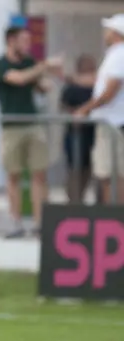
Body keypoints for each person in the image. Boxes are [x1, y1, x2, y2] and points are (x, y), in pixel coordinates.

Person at [0, 27, 62, 237]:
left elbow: (41, 85)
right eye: (23, 40)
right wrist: (43, 66)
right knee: (13, 175)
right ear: (11, 41)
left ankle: (41, 223)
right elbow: (18, 79)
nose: (27, 45)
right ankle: (16, 223)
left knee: (39, 174)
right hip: (11, 127)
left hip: (33, 124)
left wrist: (47, 76)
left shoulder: (30, 62)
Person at [75, 14, 124, 205]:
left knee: (111, 175)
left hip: (112, 124)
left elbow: (109, 91)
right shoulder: (115, 54)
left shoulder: (119, 55)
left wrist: (84, 109)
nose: (105, 33)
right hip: (112, 123)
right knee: (111, 175)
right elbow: (101, 82)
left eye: (109, 29)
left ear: (116, 33)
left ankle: (114, 216)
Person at [61, 55, 97, 204]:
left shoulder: (98, 88)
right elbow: (65, 107)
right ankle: (74, 204)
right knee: (76, 173)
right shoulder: (72, 89)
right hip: (76, 136)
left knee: (91, 172)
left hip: (93, 136)